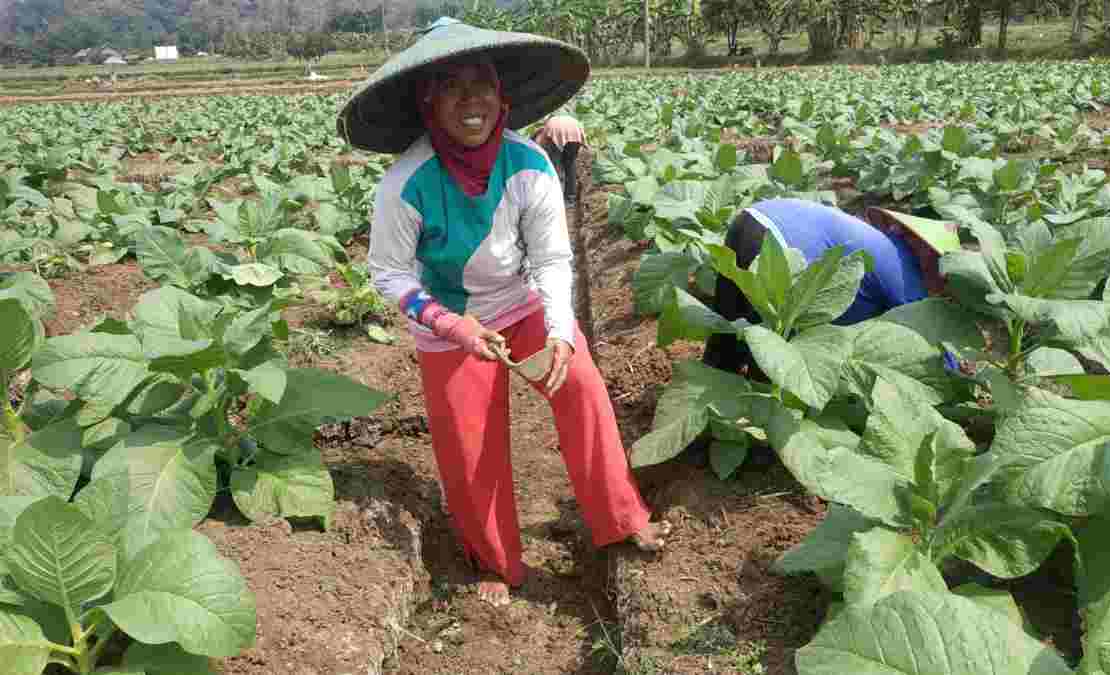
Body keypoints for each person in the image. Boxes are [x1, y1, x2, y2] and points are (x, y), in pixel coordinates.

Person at [338, 17, 670, 608]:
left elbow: (552, 260)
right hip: (448, 324)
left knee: (584, 390)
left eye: (482, 85)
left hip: (521, 307)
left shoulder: (529, 165)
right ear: (429, 102)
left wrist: (563, 333)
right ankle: (497, 564)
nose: (472, 101)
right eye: (453, 87)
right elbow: (388, 273)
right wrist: (451, 324)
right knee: (469, 446)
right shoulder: (405, 182)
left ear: (503, 97)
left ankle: (621, 519)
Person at [702, 199, 961, 378]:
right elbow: (929, 339)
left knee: (729, 326)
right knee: (775, 352)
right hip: (775, 241)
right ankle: (763, 427)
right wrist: (957, 381)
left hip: (750, 219)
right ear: (925, 250)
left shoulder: (879, 244)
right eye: (941, 262)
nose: (941, 274)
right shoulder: (902, 268)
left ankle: (708, 407)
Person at [532, 114, 587, 207]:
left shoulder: (545, 131)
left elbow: (541, 150)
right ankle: (570, 199)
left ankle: (555, 198)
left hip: (559, 131)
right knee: (570, 165)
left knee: (555, 167)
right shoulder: (552, 123)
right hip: (576, 131)